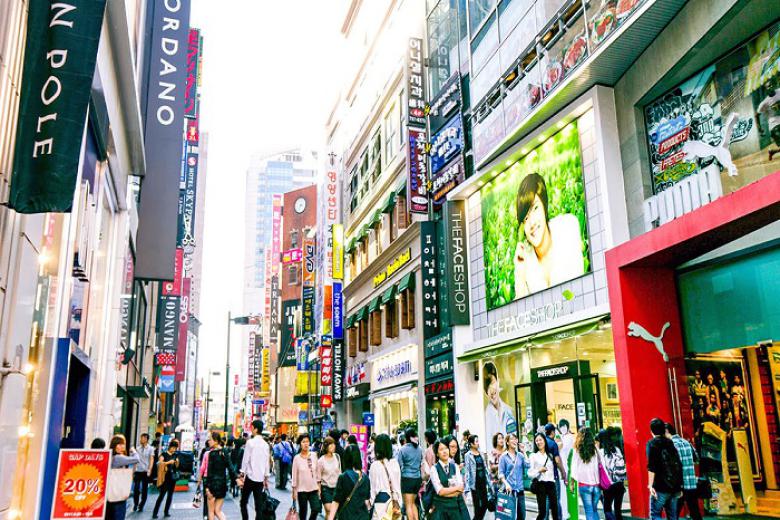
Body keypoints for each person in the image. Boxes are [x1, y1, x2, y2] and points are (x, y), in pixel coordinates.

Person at [513, 172, 585, 297]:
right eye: (526, 218)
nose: (532, 223)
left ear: (544, 207)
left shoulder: (567, 227)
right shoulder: (525, 257)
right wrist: (520, 275)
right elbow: (520, 307)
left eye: (535, 208)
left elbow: (578, 289)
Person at [646, 418, 683, 520]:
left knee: (655, 514)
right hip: (674, 486)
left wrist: (650, 485)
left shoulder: (652, 444)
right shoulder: (670, 442)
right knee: (672, 516)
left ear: (651, 431)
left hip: (660, 486)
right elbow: (678, 464)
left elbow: (651, 466)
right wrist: (680, 486)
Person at [665, 423, 701, 520]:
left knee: (673, 514)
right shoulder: (686, 442)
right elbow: (696, 459)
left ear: (667, 432)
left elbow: (673, 467)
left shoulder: (671, 445)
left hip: (679, 485)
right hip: (691, 483)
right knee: (695, 511)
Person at [428, 438, 470, 520]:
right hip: (440, 511)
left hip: (454, 509)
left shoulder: (455, 467)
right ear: (437, 453)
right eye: (441, 449)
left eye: (446, 448)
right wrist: (455, 489)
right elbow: (440, 491)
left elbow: (461, 488)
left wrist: (446, 493)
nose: (444, 451)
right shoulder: (434, 469)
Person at [200, 432, 237, 520]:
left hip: (212, 486)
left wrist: (207, 487)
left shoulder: (211, 453)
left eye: (210, 439)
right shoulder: (225, 451)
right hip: (222, 485)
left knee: (211, 511)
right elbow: (230, 467)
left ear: (216, 441)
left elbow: (209, 473)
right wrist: (236, 478)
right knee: (218, 511)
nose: (208, 441)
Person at [329, 444, 371, 520]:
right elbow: (366, 501)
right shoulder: (365, 478)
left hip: (347, 516)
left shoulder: (343, 477)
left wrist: (330, 518)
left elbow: (336, 501)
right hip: (362, 516)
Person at [239, 419, 271, 520]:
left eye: (252, 428)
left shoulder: (250, 443)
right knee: (258, 505)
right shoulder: (266, 445)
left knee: (243, 502)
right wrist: (266, 478)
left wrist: (242, 473)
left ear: (256, 429)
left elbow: (245, 460)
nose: (251, 429)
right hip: (260, 479)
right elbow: (267, 462)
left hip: (250, 477)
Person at [568, 428, 600, 520]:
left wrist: (572, 483)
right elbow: (600, 464)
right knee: (594, 510)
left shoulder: (577, 449)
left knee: (589, 511)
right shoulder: (595, 449)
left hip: (584, 485)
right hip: (596, 485)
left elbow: (574, 467)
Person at [369, 433, 402, 520]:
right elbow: (398, 485)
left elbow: (373, 489)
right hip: (395, 503)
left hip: (381, 504)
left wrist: (369, 505)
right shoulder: (395, 463)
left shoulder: (375, 465)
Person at [483, 362, 518, 445]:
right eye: (487, 387)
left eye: (492, 383)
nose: (491, 389)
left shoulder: (508, 411)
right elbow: (489, 443)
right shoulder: (486, 416)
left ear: (498, 382)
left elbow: (513, 434)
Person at [106, 434, 139, 520]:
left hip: (110, 495)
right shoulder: (118, 458)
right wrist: (134, 451)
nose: (122, 446)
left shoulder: (111, 456)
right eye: (119, 444)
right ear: (114, 445)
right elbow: (136, 459)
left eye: (123, 444)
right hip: (118, 496)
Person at [529, 433, 559, 520]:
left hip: (551, 483)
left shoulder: (550, 455)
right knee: (542, 512)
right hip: (540, 484)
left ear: (544, 441)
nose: (538, 442)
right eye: (536, 441)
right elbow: (530, 473)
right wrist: (539, 470)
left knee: (555, 511)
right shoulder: (533, 456)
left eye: (540, 440)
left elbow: (553, 470)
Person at [598, 428, 627, 520]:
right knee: (618, 510)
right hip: (619, 484)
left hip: (608, 485)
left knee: (607, 509)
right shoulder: (617, 449)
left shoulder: (601, 452)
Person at [498, 432, 528, 520]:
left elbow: (528, 465)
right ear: (507, 442)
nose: (515, 440)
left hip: (520, 490)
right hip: (509, 491)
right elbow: (500, 473)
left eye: (516, 439)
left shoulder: (520, 456)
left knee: (522, 516)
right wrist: (506, 484)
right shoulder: (503, 457)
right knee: (510, 516)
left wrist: (524, 451)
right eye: (512, 439)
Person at [397, 428, 425, 520]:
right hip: (417, 479)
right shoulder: (419, 449)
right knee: (413, 503)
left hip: (407, 479)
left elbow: (399, 464)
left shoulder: (403, 449)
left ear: (406, 437)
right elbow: (421, 462)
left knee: (408, 505)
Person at [292, 433, 321, 520]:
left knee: (316, 509)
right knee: (303, 513)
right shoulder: (297, 458)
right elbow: (294, 475)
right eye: (303, 442)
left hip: (314, 488)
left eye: (307, 441)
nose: (306, 444)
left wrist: (319, 486)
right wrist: (294, 491)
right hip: (301, 490)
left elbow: (318, 472)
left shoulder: (314, 455)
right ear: (300, 444)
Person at [464, 435, 491, 520]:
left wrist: (489, 481)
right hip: (475, 485)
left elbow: (485, 468)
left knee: (485, 504)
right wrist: (467, 488)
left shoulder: (481, 453)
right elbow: (467, 471)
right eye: (476, 441)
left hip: (483, 483)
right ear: (471, 444)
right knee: (477, 508)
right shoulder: (468, 455)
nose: (478, 443)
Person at [153, 438, 180, 519]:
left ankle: (166, 511)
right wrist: (168, 462)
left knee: (170, 496)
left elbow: (177, 466)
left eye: (175, 448)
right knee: (161, 496)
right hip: (165, 478)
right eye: (173, 448)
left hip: (172, 478)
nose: (174, 449)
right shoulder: (164, 454)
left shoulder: (175, 455)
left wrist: (177, 462)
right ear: (170, 447)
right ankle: (155, 513)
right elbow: (159, 464)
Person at [557, 420, 576, 520]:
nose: (562, 428)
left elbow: (560, 447)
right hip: (560, 466)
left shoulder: (569, 437)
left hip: (563, 467)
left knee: (563, 492)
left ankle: (564, 514)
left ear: (568, 426)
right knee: (561, 492)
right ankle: (563, 513)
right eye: (561, 426)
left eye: (564, 426)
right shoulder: (562, 437)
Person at [319, 437, 342, 520]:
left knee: (334, 512)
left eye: (333, 444)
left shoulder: (337, 457)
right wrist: (319, 491)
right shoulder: (321, 460)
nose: (333, 446)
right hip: (326, 489)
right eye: (330, 444)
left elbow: (340, 472)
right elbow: (318, 478)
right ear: (326, 446)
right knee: (329, 510)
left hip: (337, 488)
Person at [132, 433, 155, 512]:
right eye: (141, 438)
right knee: (136, 488)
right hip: (138, 471)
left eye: (142, 438)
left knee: (145, 489)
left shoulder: (151, 449)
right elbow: (135, 460)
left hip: (145, 471)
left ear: (146, 439)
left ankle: (141, 505)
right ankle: (135, 504)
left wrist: (150, 469)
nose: (141, 439)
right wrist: (133, 471)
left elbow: (151, 459)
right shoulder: (138, 448)